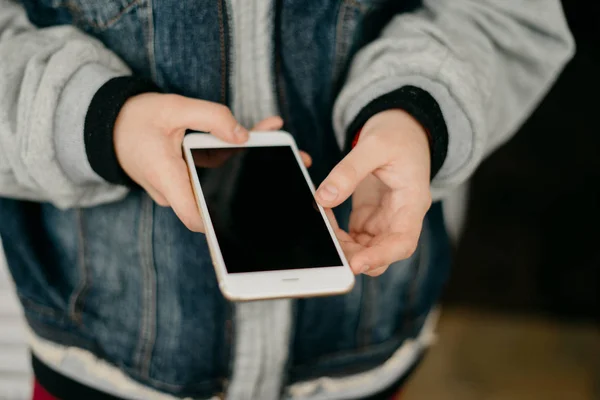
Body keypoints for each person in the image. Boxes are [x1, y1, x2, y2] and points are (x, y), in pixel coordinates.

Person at [0, 0, 573, 399]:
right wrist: (103, 124)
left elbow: (508, 15)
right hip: (100, 362)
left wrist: (417, 111)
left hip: (361, 357)